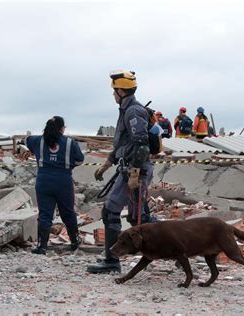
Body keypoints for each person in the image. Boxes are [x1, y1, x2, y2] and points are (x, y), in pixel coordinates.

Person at [87, 70, 154, 274]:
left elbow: (141, 144)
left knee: (122, 214)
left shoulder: (133, 111)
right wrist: (107, 163)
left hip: (135, 170)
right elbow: (124, 143)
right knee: (137, 217)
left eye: (114, 91)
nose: (113, 95)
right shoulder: (126, 110)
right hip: (129, 168)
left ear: (121, 91)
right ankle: (180, 244)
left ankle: (112, 260)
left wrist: (134, 173)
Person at [26, 116, 84, 255]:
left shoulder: (37, 141)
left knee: (45, 214)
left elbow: (27, 140)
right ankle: (74, 242)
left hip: (43, 180)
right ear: (61, 128)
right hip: (63, 180)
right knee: (68, 212)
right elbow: (80, 160)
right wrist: (68, 165)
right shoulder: (70, 143)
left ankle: (42, 246)